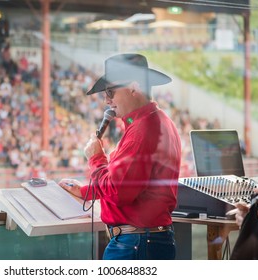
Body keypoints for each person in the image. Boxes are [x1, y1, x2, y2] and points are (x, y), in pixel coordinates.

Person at [58, 53, 181, 260]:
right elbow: (132, 184)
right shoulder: (157, 121)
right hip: (146, 241)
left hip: (135, 244)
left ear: (133, 87)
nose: (107, 100)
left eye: (110, 91)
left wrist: (97, 158)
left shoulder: (142, 131)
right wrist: (85, 191)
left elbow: (119, 192)